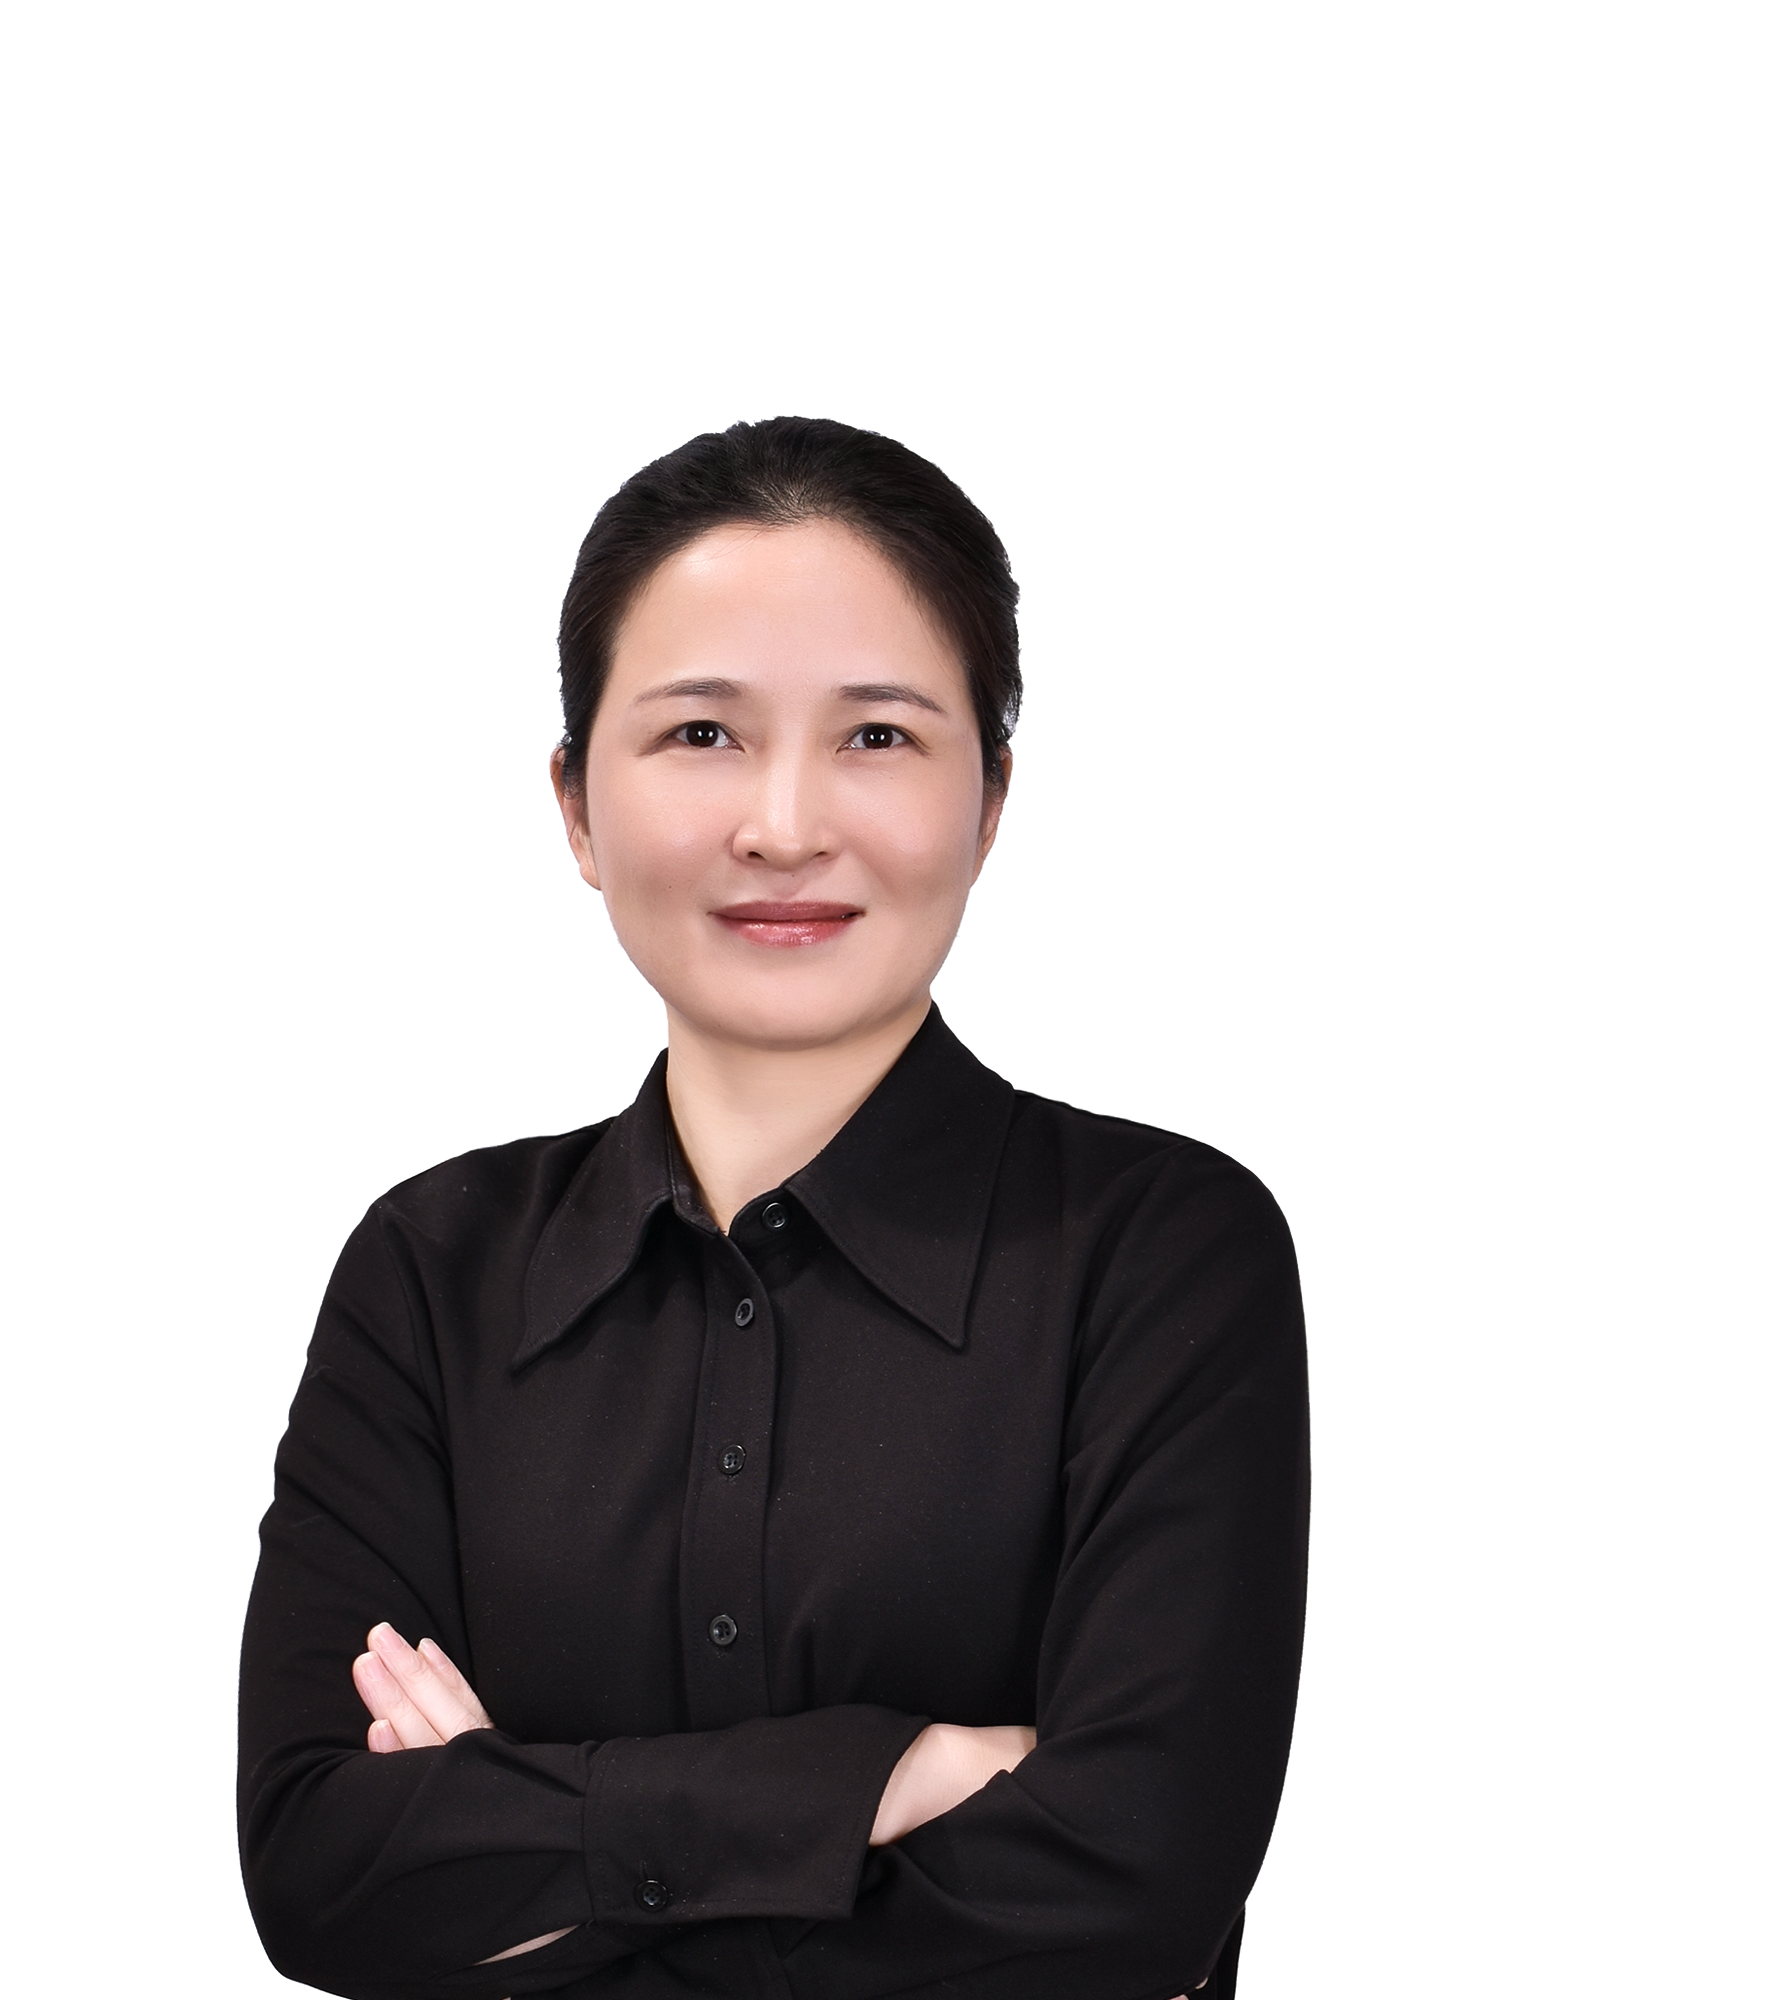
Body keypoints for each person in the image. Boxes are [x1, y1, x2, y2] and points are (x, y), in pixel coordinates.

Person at [237, 417, 1310, 2000]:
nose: (787, 824)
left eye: (876, 736)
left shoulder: (1164, 1253)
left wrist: (525, 1844)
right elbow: (321, 1869)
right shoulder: (431, 1273)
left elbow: (1133, 1887)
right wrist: (892, 1780)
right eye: (701, 734)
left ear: (990, 801)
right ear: (576, 807)